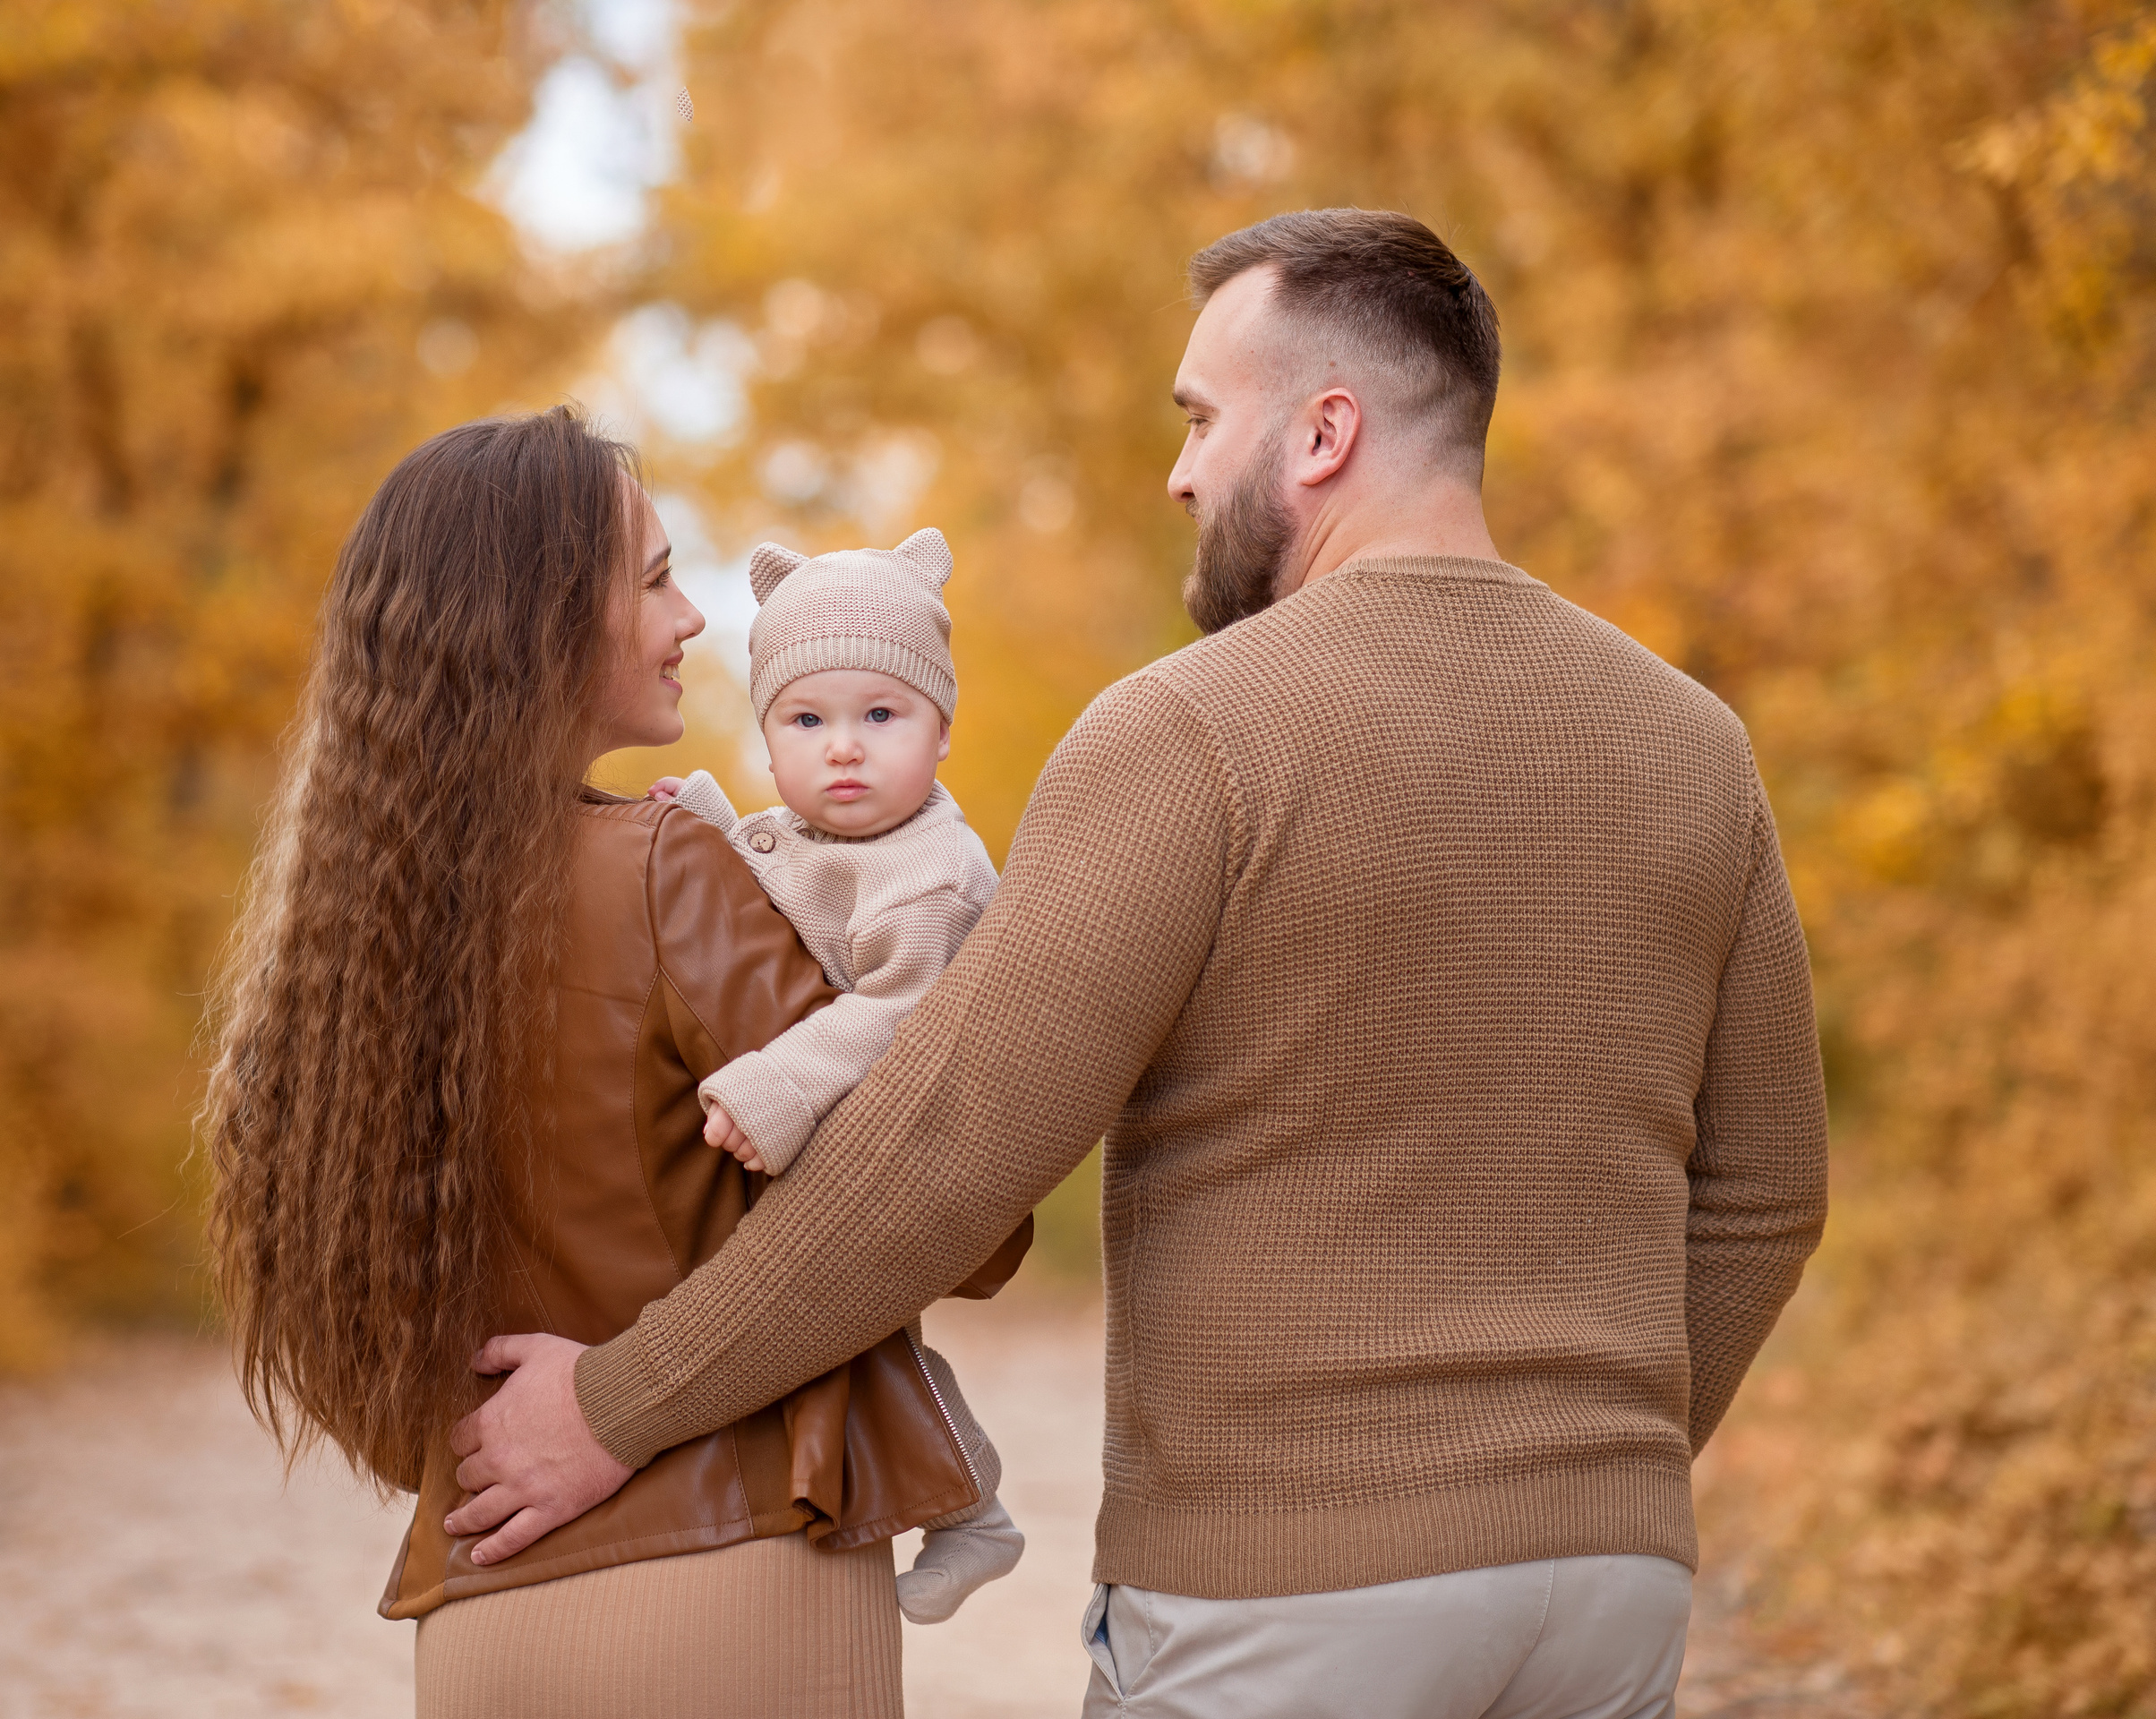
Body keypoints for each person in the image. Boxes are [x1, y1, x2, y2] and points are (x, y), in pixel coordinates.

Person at [448, 210, 1830, 1719]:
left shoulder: (1192, 733)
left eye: (1199, 417)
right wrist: (1580, 1475)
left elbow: (950, 1148)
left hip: (1290, 1593)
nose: (1177, 472)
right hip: (1612, 1588)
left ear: (1323, 433)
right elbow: (1769, 1191)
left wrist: (615, 1402)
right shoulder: (1695, 744)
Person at [201, 406, 1028, 1719]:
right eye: (652, 579)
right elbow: (956, 1223)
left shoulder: (350, 945)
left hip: (480, 1614)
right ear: (540, 620)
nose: (692, 617)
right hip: (734, 1586)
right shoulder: (665, 871)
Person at [649, 526, 1024, 1622]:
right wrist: (714, 833)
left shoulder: (931, 873)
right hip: (863, 1128)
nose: (844, 750)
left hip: (930, 1131)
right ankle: (967, 1510)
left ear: (941, 732)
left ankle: (976, 1507)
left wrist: (778, 1083)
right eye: (806, 721)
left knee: (858, 1323)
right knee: (856, 1337)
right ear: (770, 741)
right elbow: (789, 902)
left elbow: (897, 1011)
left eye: (881, 716)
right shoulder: (827, 834)